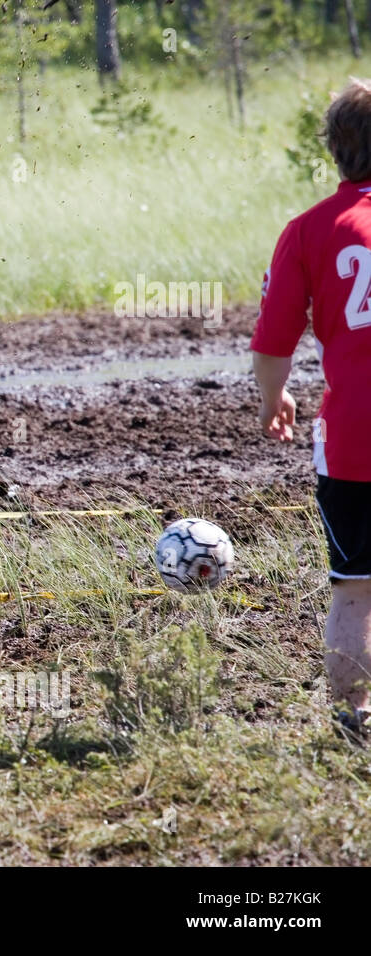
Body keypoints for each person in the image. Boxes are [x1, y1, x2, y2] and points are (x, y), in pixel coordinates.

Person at [252, 79, 371, 737]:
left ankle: (353, 717)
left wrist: (275, 401)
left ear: (334, 149)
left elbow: (272, 345)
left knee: (354, 589)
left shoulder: (307, 231)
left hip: (353, 437)